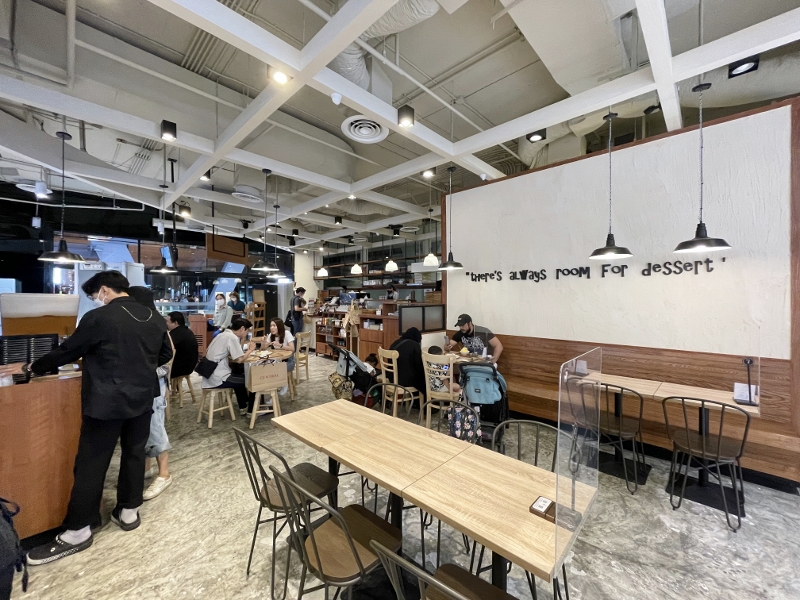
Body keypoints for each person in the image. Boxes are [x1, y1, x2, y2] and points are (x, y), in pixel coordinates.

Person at [0, 271, 172, 565]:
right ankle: (128, 511)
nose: (95, 301)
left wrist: (31, 368)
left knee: (91, 463)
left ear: (104, 290)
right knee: (133, 454)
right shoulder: (153, 317)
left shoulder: (100, 318)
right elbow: (165, 353)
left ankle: (78, 531)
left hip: (106, 401)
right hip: (142, 398)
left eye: (94, 296)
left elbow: (68, 350)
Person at [127, 287, 173, 502]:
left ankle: (164, 473)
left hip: (153, 383)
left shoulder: (153, 322)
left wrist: (152, 372)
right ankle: (146, 468)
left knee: (155, 425)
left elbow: (169, 357)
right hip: (144, 382)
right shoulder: (144, 321)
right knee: (143, 426)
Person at [202, 317, 255, 416]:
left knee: (238, 377)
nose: (246, 334)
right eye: (247, 331)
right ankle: (252, 410)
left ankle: (243, 406)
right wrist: (250, 350)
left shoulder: (222, 335)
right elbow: (239, 360)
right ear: (242, 328)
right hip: (218, 377)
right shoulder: (232, 337)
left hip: (209, 374)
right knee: (252, 380)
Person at [388, 327, 426, 397]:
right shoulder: (415, 345)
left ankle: (413, 401)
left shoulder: (395, 343)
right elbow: (418, 366)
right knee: (424, 381)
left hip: (391, 377)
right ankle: (426, 404)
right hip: (404, 381)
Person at [264, 318, 295, 396]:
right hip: (276, 360)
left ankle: (283, 384)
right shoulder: (271, 335)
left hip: (288, 361)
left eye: (274, 325)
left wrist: (280, 345)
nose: (272, 328)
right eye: (271, 326)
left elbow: (292, 348)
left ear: (279, 326)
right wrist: (263, 344)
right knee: (264, 368)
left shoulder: (287, 333)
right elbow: (263, 349)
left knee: (274, 370)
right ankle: (272, 393)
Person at [165, 311, 199, 381]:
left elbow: (165, 349)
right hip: (189, 366)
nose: (165, 324)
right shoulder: (186, 331)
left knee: (155, 371)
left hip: (181, 368)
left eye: (167, 321)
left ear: (175, 323)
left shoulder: (176, 335)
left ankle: (164, 391)